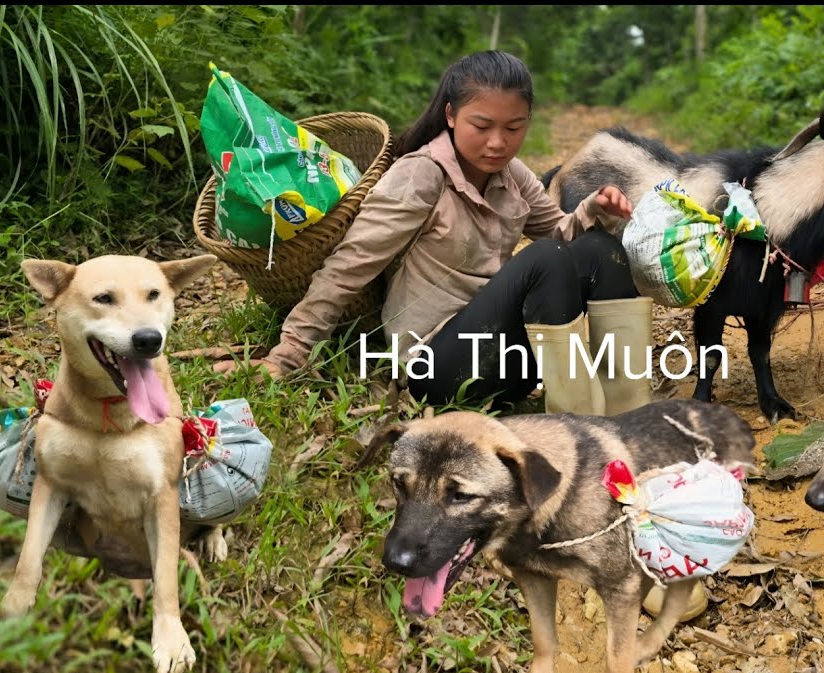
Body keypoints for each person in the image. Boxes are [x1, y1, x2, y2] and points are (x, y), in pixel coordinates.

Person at [216, 50, 657, 416]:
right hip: (436, 367)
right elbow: (348, 268)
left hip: (504, 359)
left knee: (599, 248)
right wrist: (288, 354)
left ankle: (629, 411)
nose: (497, 143)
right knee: (546, 259)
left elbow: (563, 236)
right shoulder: (421, 176)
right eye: (481, 126)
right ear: (450, 115)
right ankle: (577, 426)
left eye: (514, 127)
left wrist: (594, 209)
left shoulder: (512, 175)